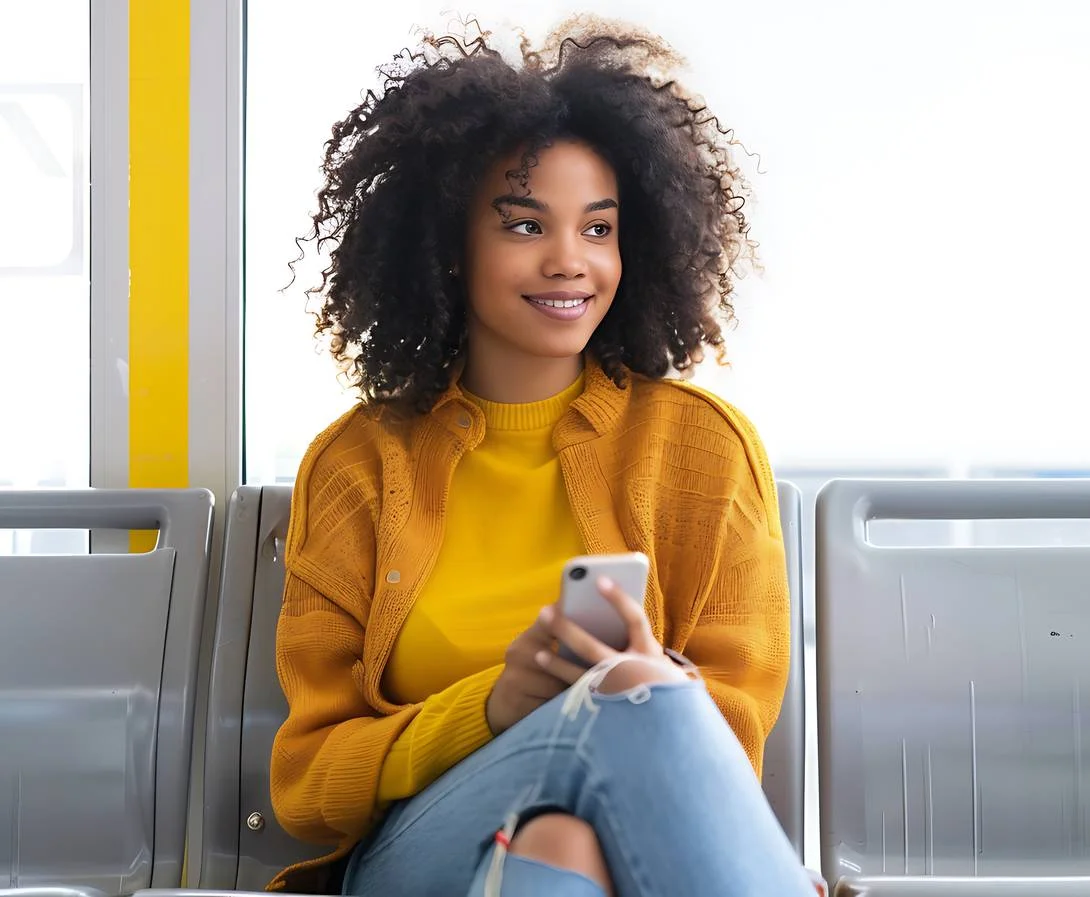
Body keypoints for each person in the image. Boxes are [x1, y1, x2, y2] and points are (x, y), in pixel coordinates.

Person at [268, 16, 813, 896]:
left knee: (561, 849)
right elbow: (305, 782)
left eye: (598, 229)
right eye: (526, 226)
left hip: (621, 839)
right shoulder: (359, 465)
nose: (571, 262)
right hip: (419, 849)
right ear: (450, 249)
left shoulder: (703, 450)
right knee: (626, 692)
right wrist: (492, 708)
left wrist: (643, 689)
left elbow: (732, 742)